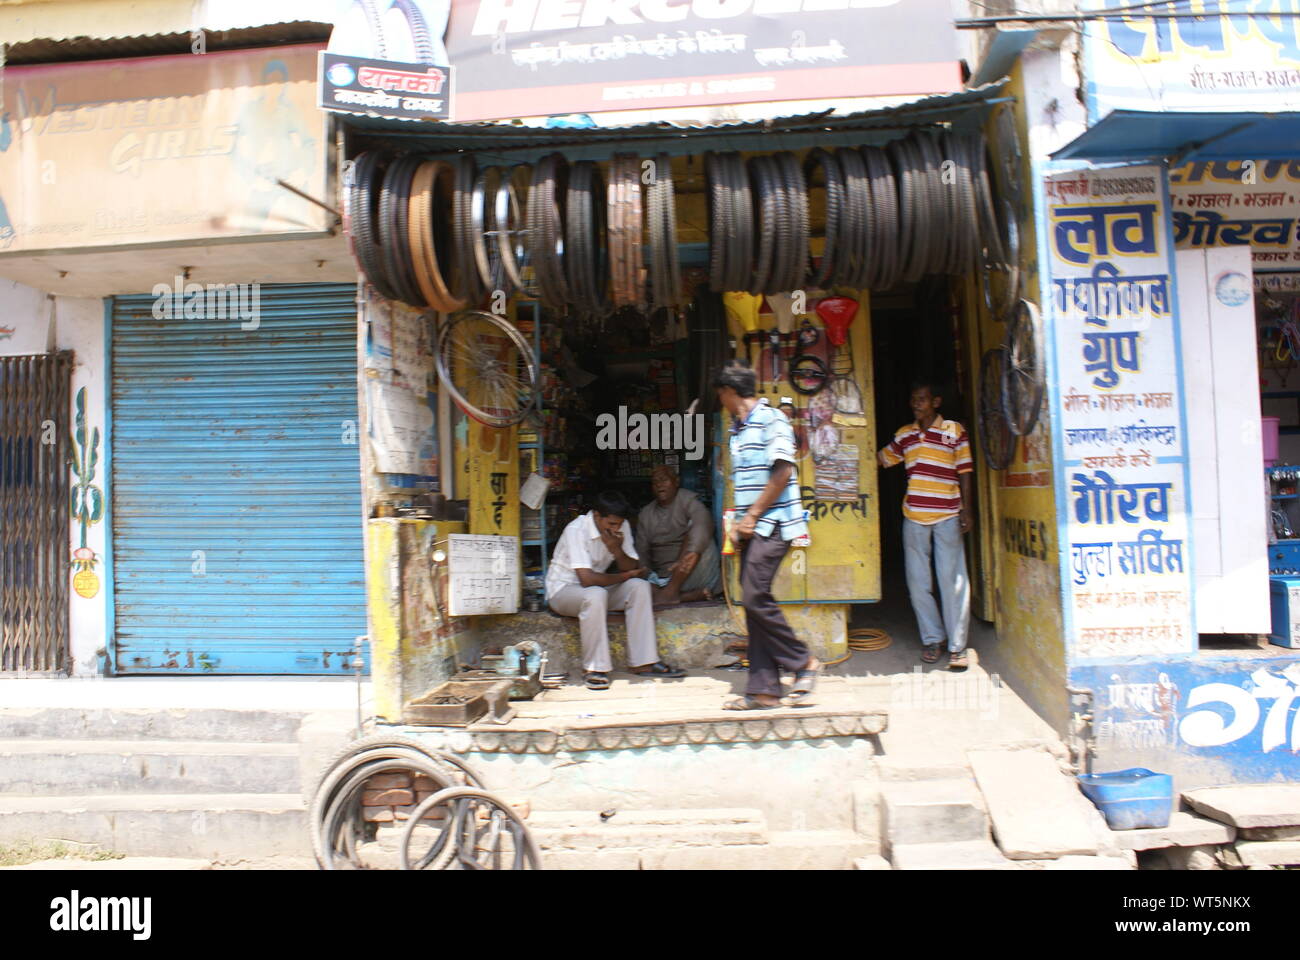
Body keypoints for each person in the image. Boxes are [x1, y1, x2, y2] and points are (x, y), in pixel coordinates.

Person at [713, 359, 821, 710]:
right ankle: (763, 690)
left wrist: (754, 515)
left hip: (774, 523)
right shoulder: (738, 429)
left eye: (720, 395)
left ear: (729, 392)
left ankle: (803, 662)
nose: (720, 401)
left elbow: (784, 470)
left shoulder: (771, 419)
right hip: (751, 527)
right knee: (752, 601)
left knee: (756, 596)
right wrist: (740, 522)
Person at [877, 379, 974, 670]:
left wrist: (967, 509)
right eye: (913, 399)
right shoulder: (904, 435)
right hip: (914, 516)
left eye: (922, 398)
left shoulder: (954, 431)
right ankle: (933, 639)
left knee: (952, 581)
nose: (916, 403)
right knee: (918, 583)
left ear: (936, 402)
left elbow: (965, 471)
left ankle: (957, 647)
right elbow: (882, 459)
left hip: (947, 514)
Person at [546, 490, 686, 691]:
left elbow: (631, 567)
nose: (616, 528)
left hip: (596, 590)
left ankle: (644, 662)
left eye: (619, 524)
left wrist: (616, 550)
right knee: (596, 594)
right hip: (563, 591)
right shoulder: (576, 530)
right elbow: (587, 579)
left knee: (639, 587)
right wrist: (623, 577)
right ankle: (595, 669)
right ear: (596, 516)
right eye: (611, 524)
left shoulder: (621, 526)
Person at [635, 464, 722, 605]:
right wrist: (645, 574)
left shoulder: (688, 500)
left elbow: (703, 522)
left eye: (664, 480)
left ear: (676, 481)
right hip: (661, 579)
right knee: (634, 584)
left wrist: (688, 555)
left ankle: (670, 593)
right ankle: (681, 596)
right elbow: (641, 552)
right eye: (655, 482)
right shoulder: (646, 514)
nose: (659, 485)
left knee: (696, 534)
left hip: (692, 573)